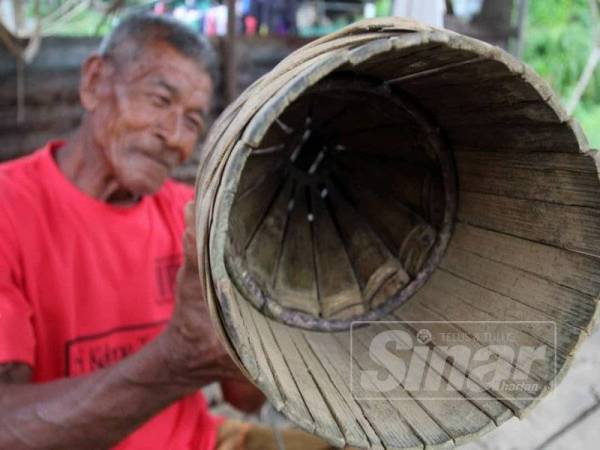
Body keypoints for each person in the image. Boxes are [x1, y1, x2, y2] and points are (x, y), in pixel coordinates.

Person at [0, 13, 265, 449]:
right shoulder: (9, 210)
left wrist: (248, 325)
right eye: (160, 101)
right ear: (94, 82)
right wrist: (173, 364)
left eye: (194, 121)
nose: (175, 138)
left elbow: (245, 399)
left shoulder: (192, 217)